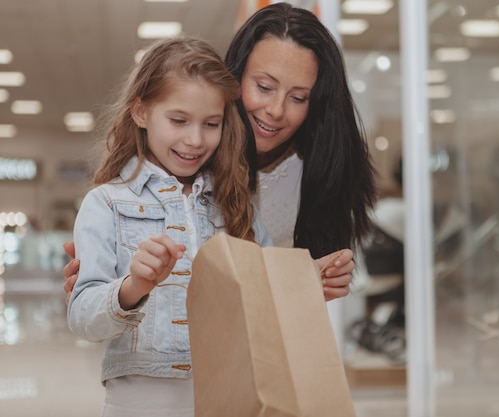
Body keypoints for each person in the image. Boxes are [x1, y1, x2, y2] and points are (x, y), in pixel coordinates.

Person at [63, 2, 376, 302]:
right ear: (234, 78)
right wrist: (108, 286)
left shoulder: (323, 167)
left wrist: (316, 280)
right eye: (264, 87)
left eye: (298, 97)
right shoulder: (185, 159)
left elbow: (276, 283)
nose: (276, 110)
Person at [66, 36, 272, 416]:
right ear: (141, 112)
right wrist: (133, 287)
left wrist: (305, 281)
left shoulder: (238, 206)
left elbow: (266, 303)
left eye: (211, 123)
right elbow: (82, 318)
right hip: (139, 404)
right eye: (178, 120)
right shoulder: (105, 204)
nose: (195, 140)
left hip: (232, 397)